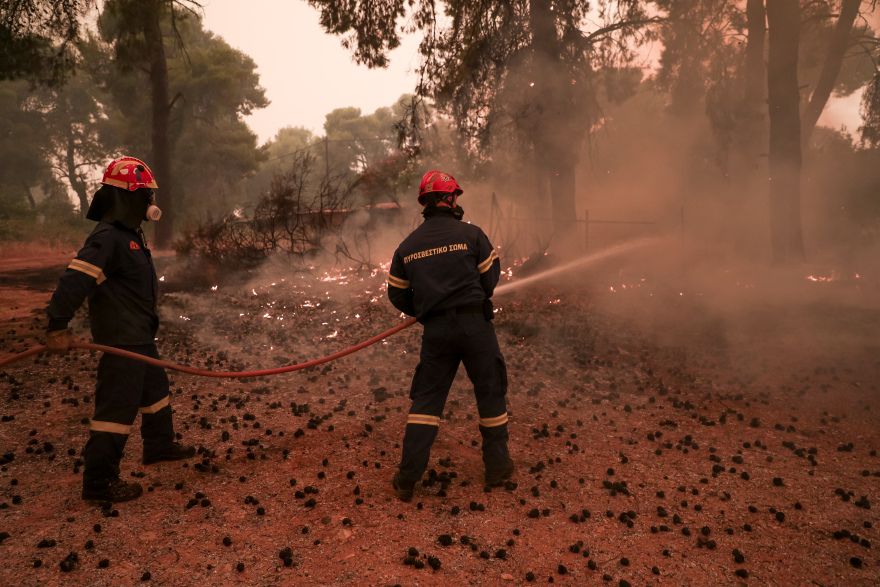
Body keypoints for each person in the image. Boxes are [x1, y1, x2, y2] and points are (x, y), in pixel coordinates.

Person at [45, 156, 195, 503]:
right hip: (121, 341)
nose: (151, 202)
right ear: (128, 197)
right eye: (146, 195)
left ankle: (158, 445)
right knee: (117, 408)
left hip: (140, 336)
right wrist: (57, 325)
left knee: (155, 390)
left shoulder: (130, 234)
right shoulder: (108, 238)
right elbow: (75, 280)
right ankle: (99, 482)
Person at [386, 170, 513, 502]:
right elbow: (489, 281)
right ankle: (497, 469)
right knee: (490, 394)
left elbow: (396, 295)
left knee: (426, 403)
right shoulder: (471, 234)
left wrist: (424, 307)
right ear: (449, 199)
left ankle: (407, 480)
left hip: (436, 332)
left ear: (424, 203)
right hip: (475, 327)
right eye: (454, 195)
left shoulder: (408, 246)